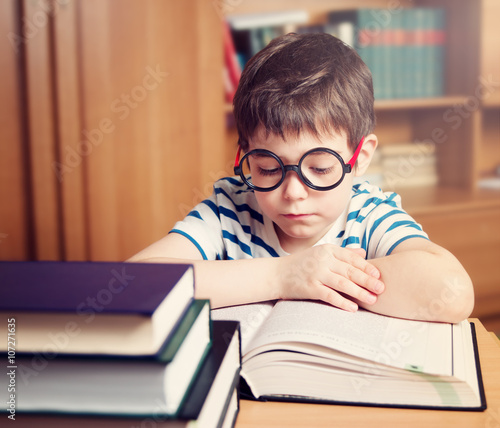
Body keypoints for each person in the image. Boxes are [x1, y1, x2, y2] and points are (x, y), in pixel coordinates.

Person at [128, 33, 473, 323]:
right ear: (244, 153)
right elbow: (132, 285)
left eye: (320, 169)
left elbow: (452, 292)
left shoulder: (369, 215)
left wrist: (324, 278)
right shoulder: (227, 211)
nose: (293, 192)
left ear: (361, 157)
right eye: (267, 168)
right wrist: (284, 276)